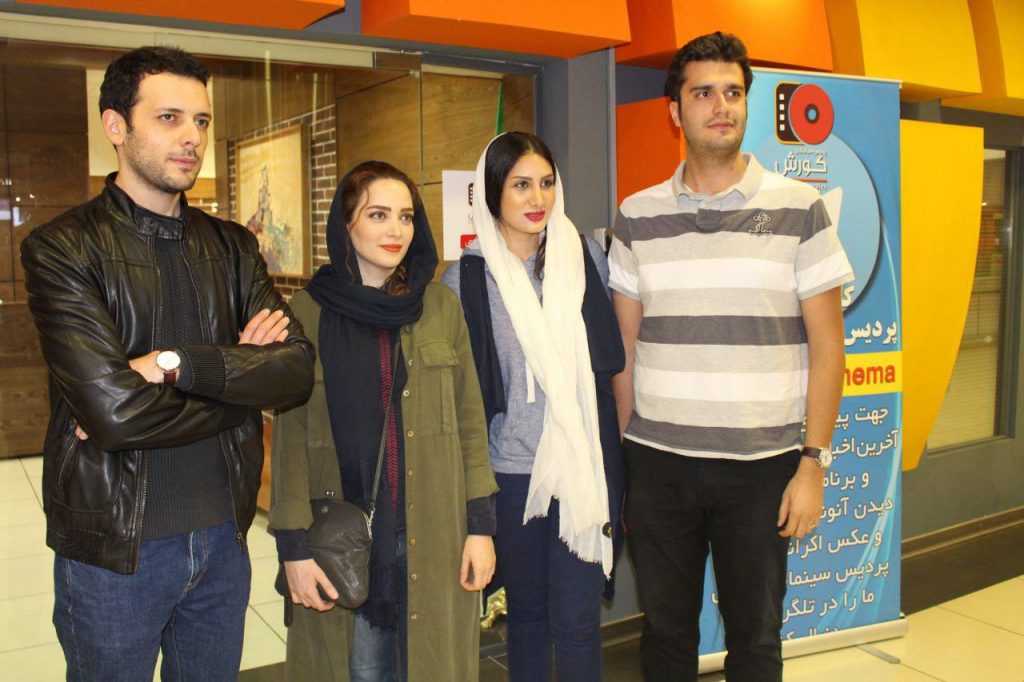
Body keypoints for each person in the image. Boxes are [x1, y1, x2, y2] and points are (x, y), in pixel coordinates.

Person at [20, 46, 315, 681]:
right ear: (116, 126)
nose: (191, 138)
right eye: (169, 118)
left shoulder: (232, 246)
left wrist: (172, 363)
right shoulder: (63, 248)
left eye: (201, 121)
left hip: (223, 541)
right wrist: (238, 383)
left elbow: (295, 374)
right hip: (115, 553)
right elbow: (115, 415)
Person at [608, 32, 853, 682]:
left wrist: (812, 465)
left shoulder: (799, 208)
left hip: (762, 469)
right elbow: (623, 350)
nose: (721, 106)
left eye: (734, 92)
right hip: (659, 466)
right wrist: (624, 462)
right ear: (675, 110)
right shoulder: (637, 215)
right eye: (703, 93)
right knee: (665, 635)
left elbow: (829, 346)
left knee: (756, 639)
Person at [270, 160, 498, 682]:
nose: (396, 229)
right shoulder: (308, 313)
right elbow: (290, 440)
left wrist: (481, 529)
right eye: (378, 214)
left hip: (436, 534)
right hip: (349, 544)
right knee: (362, 670)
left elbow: (470, 423)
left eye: (406, 216)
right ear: (346, 223)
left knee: (435, 668)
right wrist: (294, 549)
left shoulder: (440, 306)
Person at [442, 131, 625, 682]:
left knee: (577, 622)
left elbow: (608, 362)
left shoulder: (584, 258)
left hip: (581, 470)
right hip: (510, 475)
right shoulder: (465, 278)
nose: (537, 197)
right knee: (525, 618)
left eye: (546, 183)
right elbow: (462, 396)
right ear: (493, 190)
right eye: (521, 184)